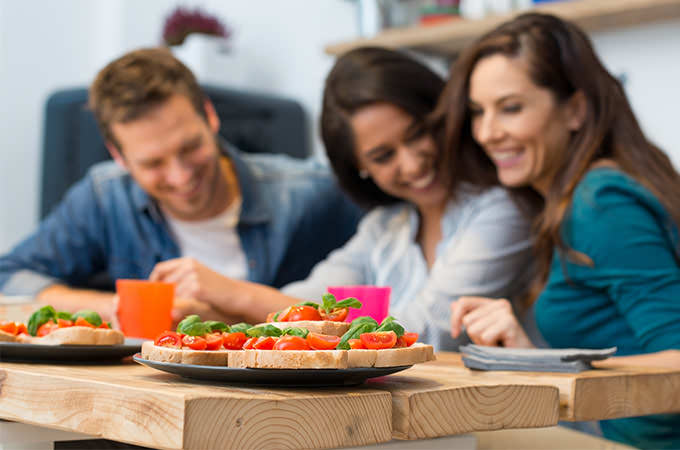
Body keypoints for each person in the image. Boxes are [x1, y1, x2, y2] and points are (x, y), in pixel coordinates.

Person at [171, 46, 537, 351]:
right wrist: (214, 311)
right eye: (383, 156)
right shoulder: (384, 227)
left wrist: (236, 294)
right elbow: (314, 303)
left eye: (418, 134)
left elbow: (426, 331)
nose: (411, 163)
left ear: (443, 117)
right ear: (360, 168)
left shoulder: (502, 209)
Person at [441, 13, 680, 449]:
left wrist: (551, 364)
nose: (487, 133)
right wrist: (528, 354)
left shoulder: (601, 202)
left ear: (575, 109)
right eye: (478, 112)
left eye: (510, 108)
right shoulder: (574, 199)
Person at [0, 48, 362, 325]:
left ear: (210, 116)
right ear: (119, 156)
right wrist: (116, 307)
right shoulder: (104, 197)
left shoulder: (312, 193)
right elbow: (9, 277)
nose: (180, 176)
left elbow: (390, 281)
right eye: (153, 163)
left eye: (190, 148)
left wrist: (236, 300)